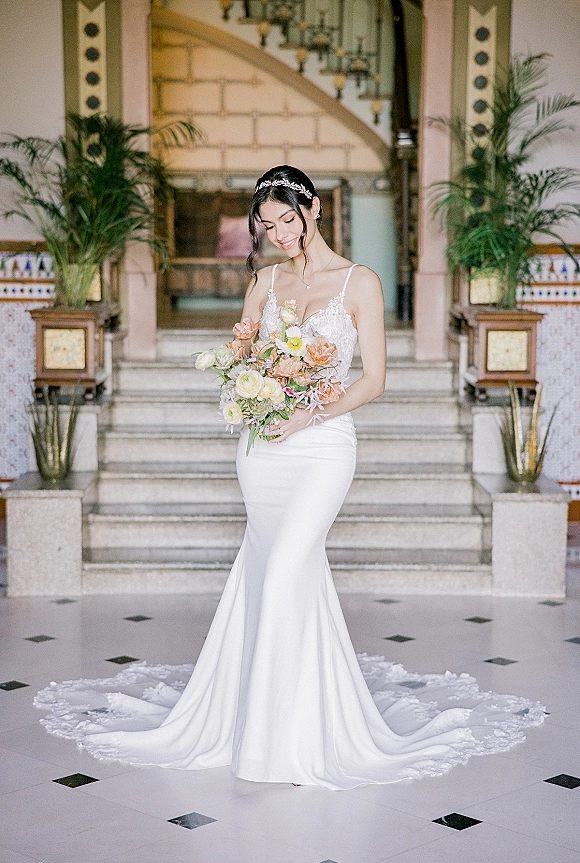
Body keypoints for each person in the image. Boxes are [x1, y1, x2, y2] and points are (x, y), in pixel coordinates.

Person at [35, 165, 544, 790]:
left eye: (285, 220)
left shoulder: (360, 283)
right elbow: (242, 365)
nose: (277, 233)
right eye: (266, 225)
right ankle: (282, 719)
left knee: (280, 577)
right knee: (278, 576)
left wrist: (306, 413)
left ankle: (275, 743)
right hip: (263, 451)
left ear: (313, 211)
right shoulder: (264, 283)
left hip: (324, 448)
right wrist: (249, 368)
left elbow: (373, 380)